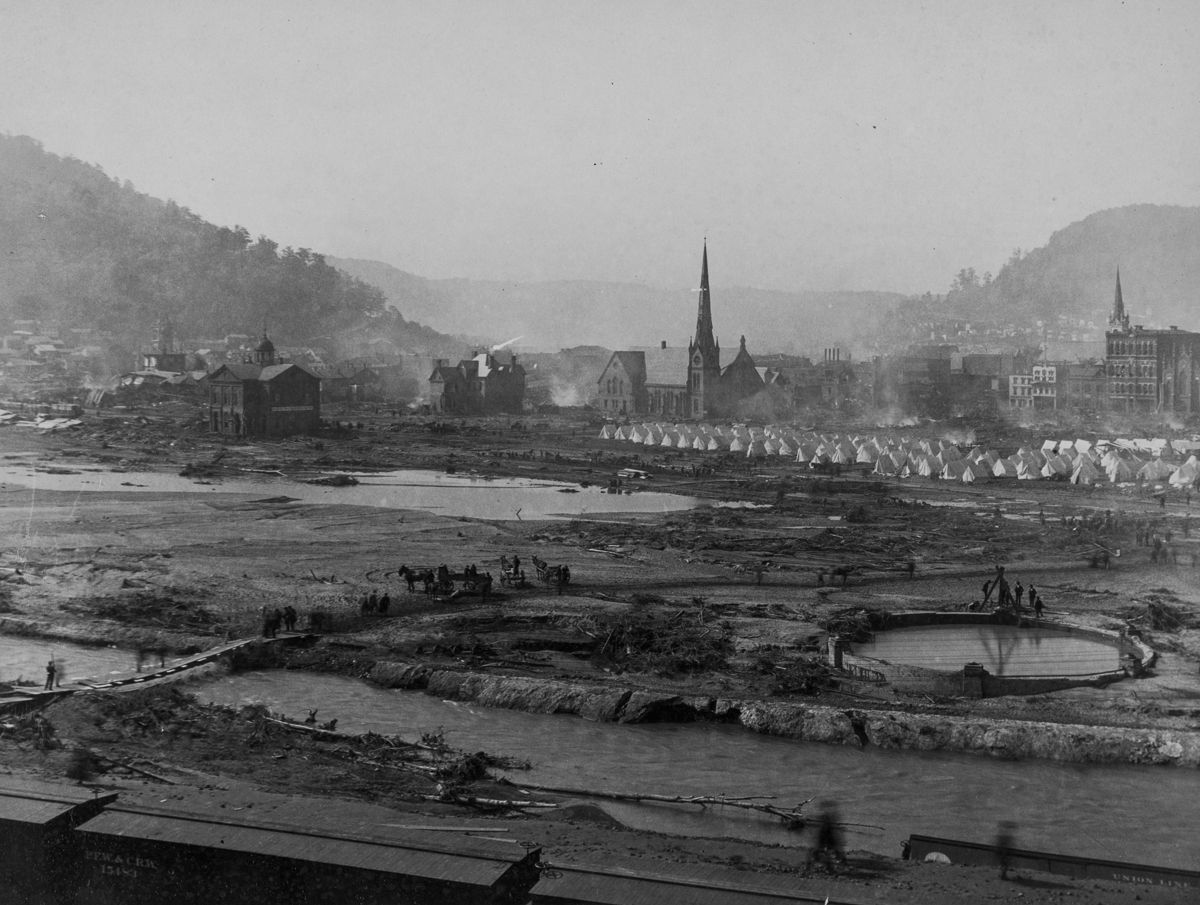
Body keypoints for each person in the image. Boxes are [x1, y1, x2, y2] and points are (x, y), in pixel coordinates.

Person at [809, 801, 846, 871]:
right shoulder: (826, 817)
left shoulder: (824, 817)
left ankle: (827, 864)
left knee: (825, 849)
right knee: (827, 849)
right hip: (826, 835)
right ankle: (827, 864)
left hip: (827, 835)